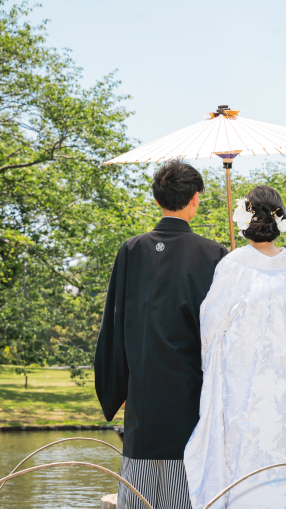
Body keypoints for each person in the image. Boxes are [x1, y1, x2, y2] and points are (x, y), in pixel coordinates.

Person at [184, 185, 286, 509]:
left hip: (241, 387)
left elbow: (210, 323)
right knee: (283, 455)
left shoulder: (233, 265)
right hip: (284, 391)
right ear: (279, 219)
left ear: (246, 218)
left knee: (240, 455)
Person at [94, 160, 228, 509]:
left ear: (158, 200)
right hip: (191, 397)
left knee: (138, 496)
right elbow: (222, 334)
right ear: (195, 199)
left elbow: (113, 325)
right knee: (188, 494)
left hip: (141, 398)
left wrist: (116, 386)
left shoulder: (131, 250)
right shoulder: (214, 255)